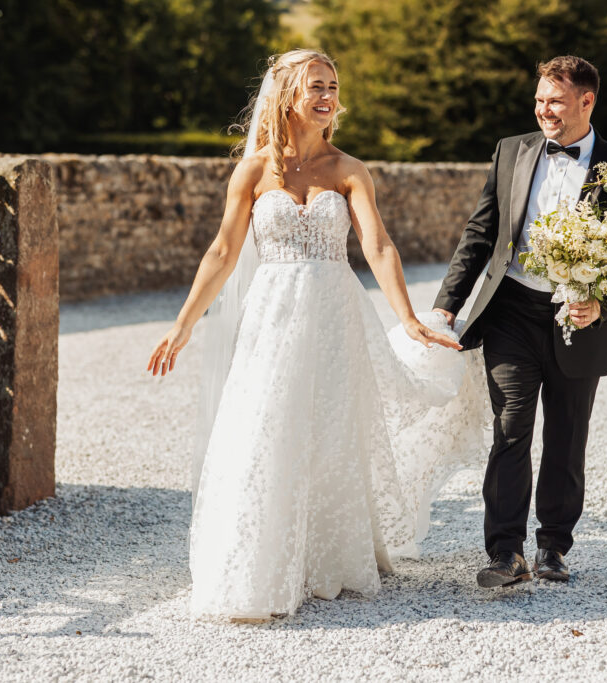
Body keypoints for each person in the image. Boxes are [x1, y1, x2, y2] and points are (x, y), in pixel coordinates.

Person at [146, 49, 487, 622]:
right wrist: (182, 326)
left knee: (332, 428)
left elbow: (378, 246)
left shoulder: (350, 169)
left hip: (335, 316)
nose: (327, 96)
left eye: (333, 85)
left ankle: (329, 558)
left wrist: (406, 318)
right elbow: (224, 251)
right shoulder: (252, 172)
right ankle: (261, 559)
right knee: (267, 423)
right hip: (272, 319)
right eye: (316, 86)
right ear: (287, 95)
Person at [433, 55, 607, 588]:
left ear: (586, 102)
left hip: (577, 318)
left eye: (555, 100)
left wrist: (602, 302)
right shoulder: (512, 151)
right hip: (510, 309)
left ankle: (554, 546)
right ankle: (505, 553)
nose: (543, 110)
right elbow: (481, 231)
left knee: (566, 436)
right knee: (511, 429)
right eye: (539, 99)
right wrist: (447, 304)